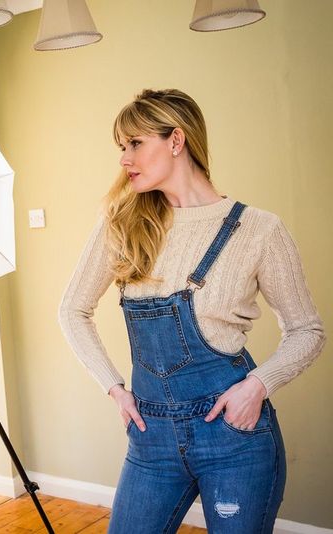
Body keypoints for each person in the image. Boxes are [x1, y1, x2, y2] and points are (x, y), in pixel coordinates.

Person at [59, 89, 325, 533]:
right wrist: (115, 389)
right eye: (121, 147)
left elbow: (307, 331)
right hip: (151, 440)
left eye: (135, 143)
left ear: (177, 140)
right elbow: (72, 310)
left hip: (234, 439)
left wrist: (257, 386)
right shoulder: (122, 225)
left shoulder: (259, 230)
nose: (124, 159)